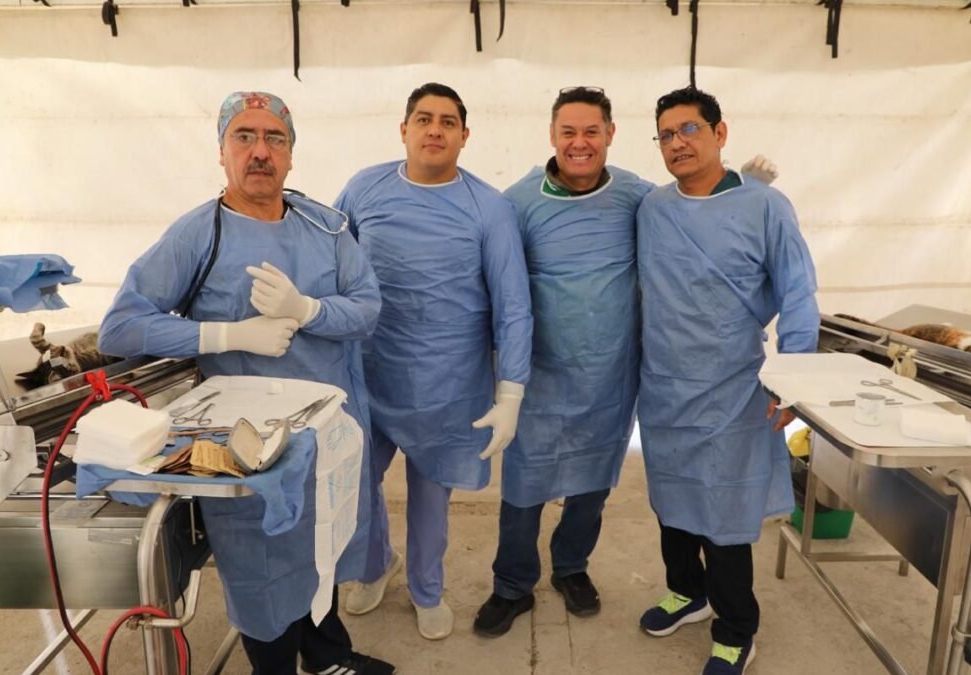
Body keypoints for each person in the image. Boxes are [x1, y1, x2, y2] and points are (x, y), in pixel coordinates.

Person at [98, 91, 394, 675]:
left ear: (291, 154)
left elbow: (367, 310)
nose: (260, 151)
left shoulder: (327, 228)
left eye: (274, 138)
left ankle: (327, 657)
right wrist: (225, 335)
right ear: (221, 151)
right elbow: (121, 328)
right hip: (246, 447)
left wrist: (308, 310)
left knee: (322, 545)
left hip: (325, 434)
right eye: (244, 136)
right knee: (262, 566)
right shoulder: (198, 235)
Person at [474, 86, 780, 637]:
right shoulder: (515, 203)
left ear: (611, 134)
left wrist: (747, 192)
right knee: (523, 487)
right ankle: (512, 585)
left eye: (592, 131)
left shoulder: (637, 197)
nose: (580, 143)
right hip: (541, 377)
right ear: (552, 135)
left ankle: (572, 567)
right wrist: (501, 379)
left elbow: (694, 217)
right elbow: (497, 290)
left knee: (593, 483)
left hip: (610, 375)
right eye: (569, 131)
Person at [333, 82, 533, 641]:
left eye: (448, 122)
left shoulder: (489, 208)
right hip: (368, 373)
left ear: (465, 136)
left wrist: (511, 392)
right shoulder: (363, 189)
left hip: (446, 382)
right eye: (424, 119)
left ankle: (427, 589)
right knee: (354, 484)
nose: (435, 130)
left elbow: (513, 305)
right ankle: (375, 564)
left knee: (430, 498)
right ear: (404, 129)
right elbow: (330, 266)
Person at [635, 85, 819, 675]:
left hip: (733, 386)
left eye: (689, 129)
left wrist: (794, 381)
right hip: (664, 384)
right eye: (666, 134)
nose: (677, 143)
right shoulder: (652, 208)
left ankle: (736, 627)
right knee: (671, 499)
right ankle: (687, 591)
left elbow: (798, 292)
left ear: (720, 132)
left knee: (724, 512)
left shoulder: (767, 207)